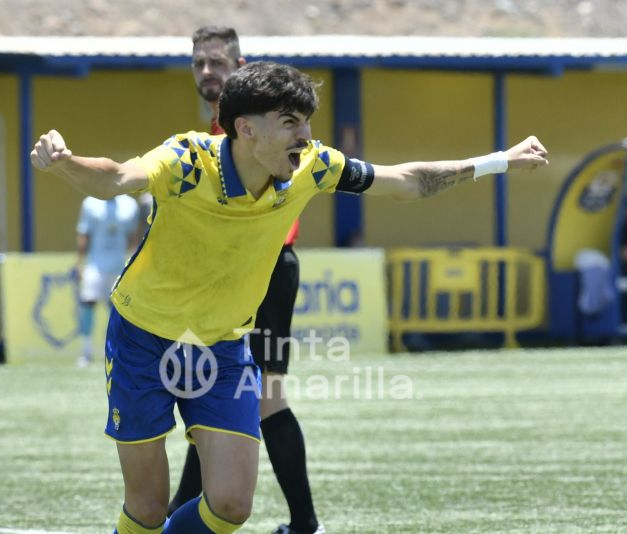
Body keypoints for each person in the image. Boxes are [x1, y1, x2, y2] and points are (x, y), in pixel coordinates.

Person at [30, 60, 548, 534]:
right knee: (145, 508)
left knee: (232, 505)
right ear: (245, 128)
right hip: (141, 339)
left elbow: (408, 181)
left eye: (306, 121)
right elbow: (118, 177)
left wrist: (499, 161)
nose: (306, 135)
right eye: (290, 122)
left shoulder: (312, 167)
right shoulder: (188, 160)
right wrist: (64, 161)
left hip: (223, 347)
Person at [165, 26, 320, 534]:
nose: (208, 72)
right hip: (230, 275)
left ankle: (305, 524)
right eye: (199, 64)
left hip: (267, 269)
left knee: (264, 396)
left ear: (240, 65)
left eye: (217, 62)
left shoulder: (257, 128)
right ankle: (184, 513)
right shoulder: (221, 134)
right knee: (211, 392)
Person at [75, 195, 139, 367]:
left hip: (119, 267)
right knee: (88, 304)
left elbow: (133, 237)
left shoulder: (130, 204)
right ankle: (86, 351)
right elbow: (84, 235)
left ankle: (113, 351)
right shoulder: (89, 203)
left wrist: (134, 264)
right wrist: (79, 264)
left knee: (117, 311)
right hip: (95, 266)